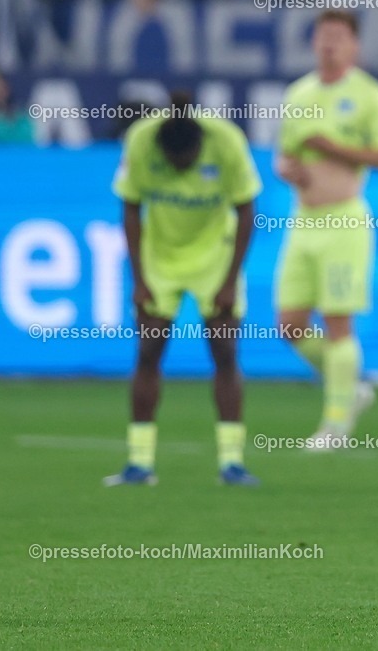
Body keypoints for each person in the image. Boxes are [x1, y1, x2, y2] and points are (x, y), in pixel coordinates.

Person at [105, 94, 261, 486]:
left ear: (199, 147)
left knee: (225, 352)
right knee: (148, 352)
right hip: (161, 259)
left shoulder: (226, 141)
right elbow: (130, 208)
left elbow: (246, 209)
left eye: (187, 162)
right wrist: (139, 280)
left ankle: (232, 462)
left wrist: (228, 281)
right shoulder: (141, 140)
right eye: (172, 163)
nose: (179, 167)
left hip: (214, 256)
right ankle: (139, 463)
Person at [275, 10, 378, 447]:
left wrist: (334, 147)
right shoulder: (298, 93)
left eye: (338, 37)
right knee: (289, 324)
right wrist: (288, 170)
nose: (329, 43)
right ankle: (349, 387)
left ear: (354, 46)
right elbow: (283, 157)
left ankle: (335, 425)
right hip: (302, 219)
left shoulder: (369, 96)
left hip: (344, 219)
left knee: (337, 322)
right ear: (313, 42)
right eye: (323, 35)